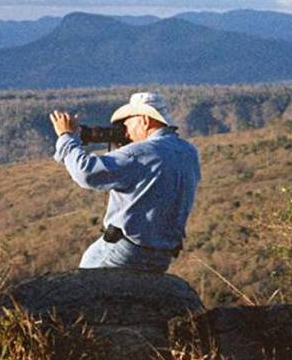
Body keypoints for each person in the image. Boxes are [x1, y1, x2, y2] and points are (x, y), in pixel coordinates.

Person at [49, 92, 201, 273]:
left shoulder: (140, 153)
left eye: (127, 122)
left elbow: (86, 173)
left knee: (82, 289)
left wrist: (66, 138)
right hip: (162, 257)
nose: (125, 130)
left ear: (145, 120)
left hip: (125, 252)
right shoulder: (188, 151)